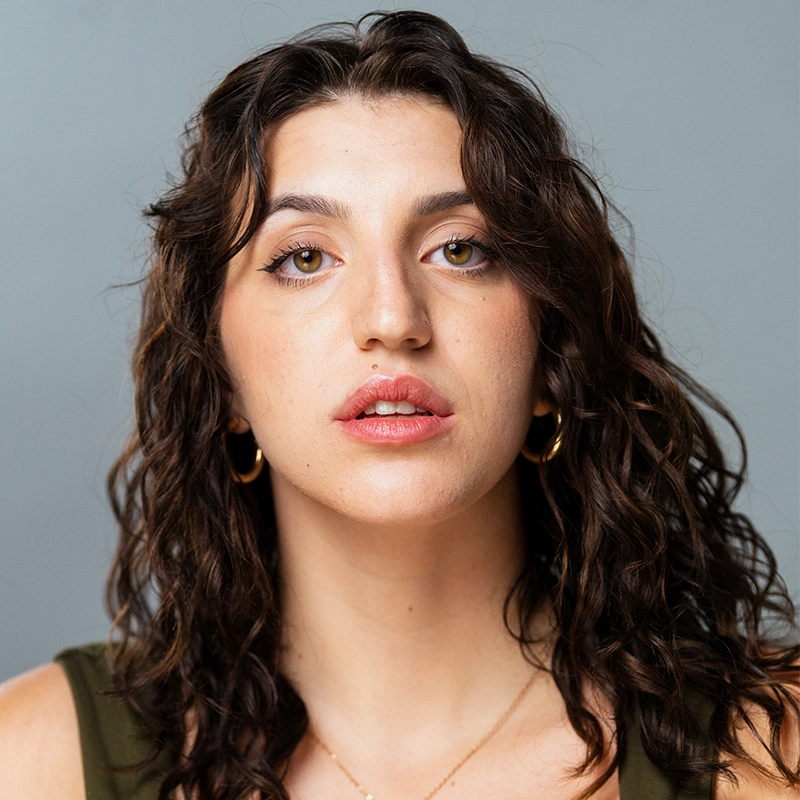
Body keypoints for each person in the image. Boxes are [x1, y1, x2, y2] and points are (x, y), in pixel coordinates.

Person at [0, 9, 797, 800]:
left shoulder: (773, 754)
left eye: (460, 249)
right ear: (222, 380)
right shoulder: (34, 761)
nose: (392, 319)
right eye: (304, 257)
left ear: (554, 356)